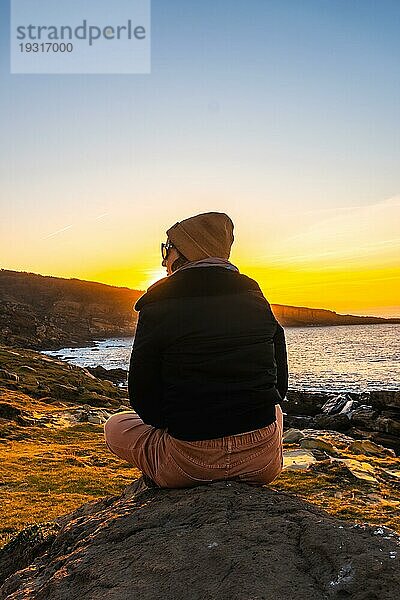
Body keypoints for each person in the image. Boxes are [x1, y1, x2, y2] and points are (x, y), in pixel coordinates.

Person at [104, 211, 288, 488]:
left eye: (167, 249)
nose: (164, 259)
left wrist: (186, 424)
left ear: (187, 251)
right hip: (261, 463)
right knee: (274, 410)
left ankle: (167, 471)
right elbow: (280, 385)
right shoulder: (255, 296)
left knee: (114, 426)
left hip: (189, 464)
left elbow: (144, 401)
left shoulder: (157, 305)